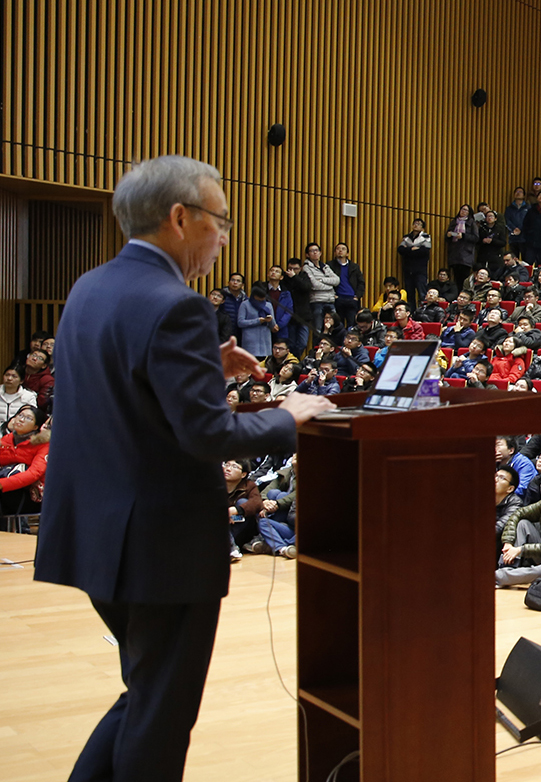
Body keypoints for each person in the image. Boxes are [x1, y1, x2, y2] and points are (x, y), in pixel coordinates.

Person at [33, 156, 333, 782]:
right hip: (157, 546)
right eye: (221, 219)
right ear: (179, 217)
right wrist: (289, 415)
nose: (225, 236)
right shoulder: (177, 305)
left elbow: (128, 392)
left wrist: (204, 367)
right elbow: (207, 434)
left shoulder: (91, 287)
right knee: (162, 714)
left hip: (95, 534)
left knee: (144, 693)